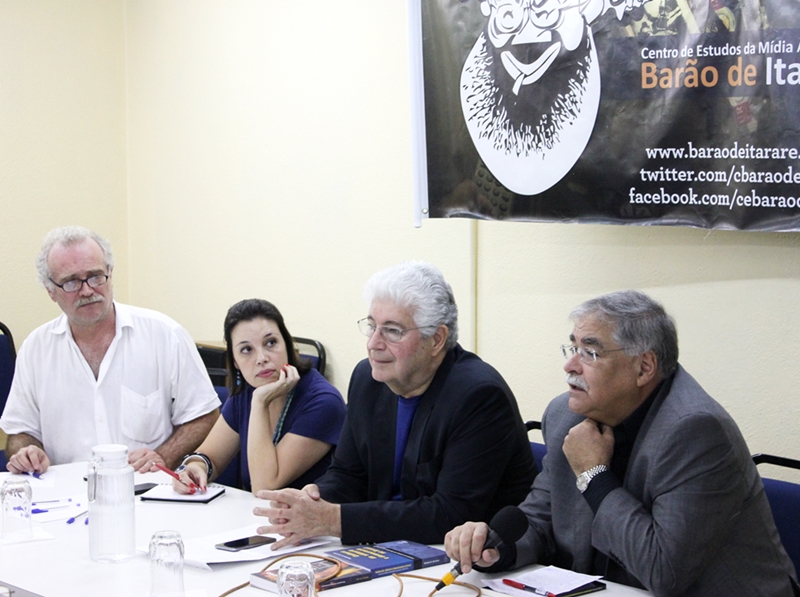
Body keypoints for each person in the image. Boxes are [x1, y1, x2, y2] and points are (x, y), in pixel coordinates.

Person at [445, 290, 799, 597]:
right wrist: (496, 549)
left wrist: (594, 475)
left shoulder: (697, 432)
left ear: (644, 368)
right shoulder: (566, 415)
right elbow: (539, 520)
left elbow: (665, 572)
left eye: (590, 353)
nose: (570, 365)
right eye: (573, 347)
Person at [255, 261, 536, 547]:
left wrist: (333, 519)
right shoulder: (368, 378)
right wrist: (315, 498)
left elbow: (450, 514)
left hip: (471, 563)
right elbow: (348, 473)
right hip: (390, 549)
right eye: (372, 326)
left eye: (392, 331)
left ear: (437, 339)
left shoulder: (478, 396)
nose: (373, 343)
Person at [1, 226, 220, 474]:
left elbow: (205, 416)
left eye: (95, 276)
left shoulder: (165, 335)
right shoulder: (35, 349)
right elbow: (20, 432)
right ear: (51, 291)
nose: (87, 290)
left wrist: (162, 456)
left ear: (110, 273)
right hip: (65, 497)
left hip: (148, 490)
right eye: (71, 282)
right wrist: (27, 452)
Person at [171, 299, 346, 495]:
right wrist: (197, 467)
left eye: (270, 343)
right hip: (254, 519)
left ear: (287, 346)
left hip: (304, 521)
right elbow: (211, 455)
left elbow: (264, 486)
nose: (261, 358)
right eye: (246, 350)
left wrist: (260, 402)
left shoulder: (323, 402)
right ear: (235, 362)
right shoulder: (247, 391)